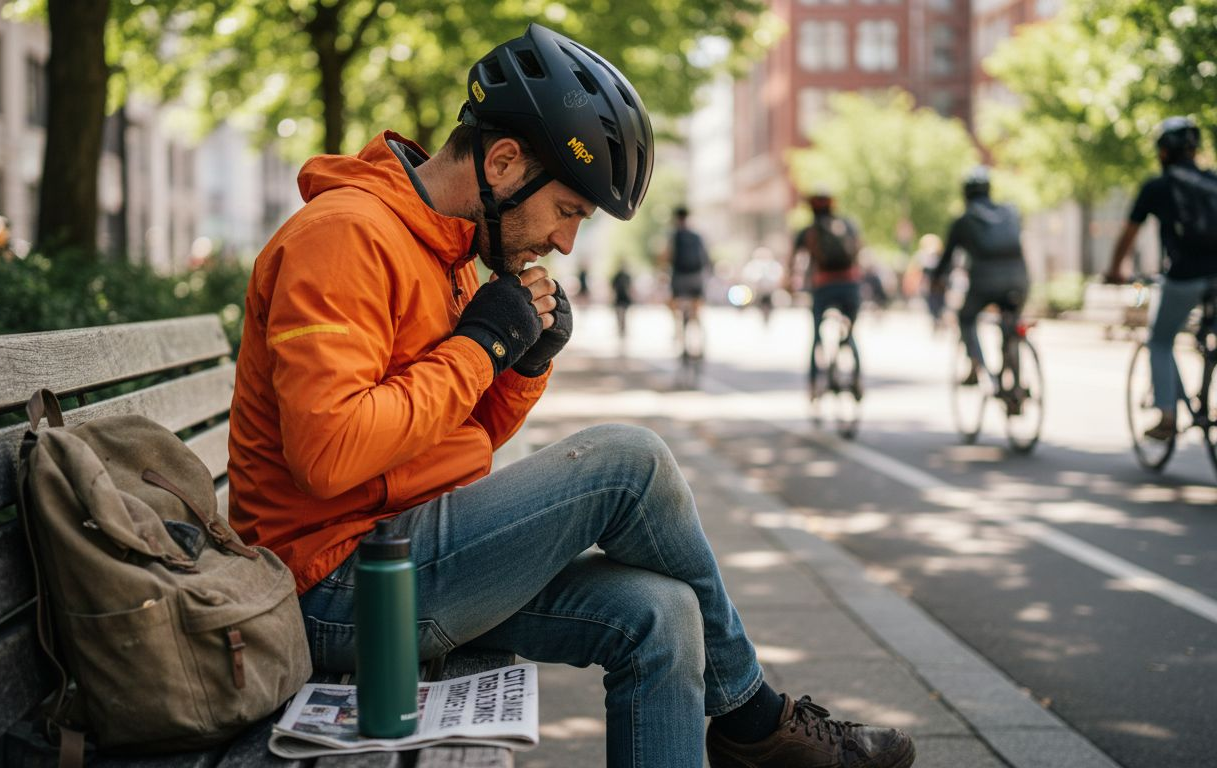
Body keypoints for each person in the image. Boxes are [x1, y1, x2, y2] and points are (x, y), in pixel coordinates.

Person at [227, 24, 914, 768]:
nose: (565, 244)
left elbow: (458, 439)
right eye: (568, 211)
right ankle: (754, 720)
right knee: (630, 461)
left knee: (664, 614)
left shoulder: (451, 250)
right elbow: (329, 455)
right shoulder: (345, 237)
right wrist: (480, 346)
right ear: (502, 162)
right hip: (338, 586)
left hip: (412, 552)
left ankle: (752, 724)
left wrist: (523, 365)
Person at [1105, 116, 1217, 440]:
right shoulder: (1212, 181)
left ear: (1163, 152)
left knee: (1159, 340)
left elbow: (1128, 236)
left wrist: (1115, 270)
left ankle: (1167, 415)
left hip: (1185, 276)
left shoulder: (1157, 187)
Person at [931, 166, 1030, 408]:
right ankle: (1015, 381)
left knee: (965, 319)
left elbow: (946, 259)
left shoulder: (964, 220)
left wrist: (936, 281)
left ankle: (982, 371)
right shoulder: (1010, 211)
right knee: (1011, 323)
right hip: (1019, 279)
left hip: (984, 282)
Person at [786, 189, 864, 399]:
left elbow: (792, 262)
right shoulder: (847, 226)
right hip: (850, 285)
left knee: (817, 336)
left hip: (823, 286)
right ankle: (856, 376)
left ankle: (813, 385)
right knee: (850, 331)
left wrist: (789, 285)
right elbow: (858, 251)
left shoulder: (808, 231)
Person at [666, 206, 711, 362]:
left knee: (673, 304)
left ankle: (678, 332)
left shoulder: (674, 235)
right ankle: (701, 341)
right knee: (697, 311)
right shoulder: (697, 236)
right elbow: (705, 259)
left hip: (680, 278)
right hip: (696, 278)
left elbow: (668, 256)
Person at [610, 261, 634, 341]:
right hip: (619, 298)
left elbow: (630, 288)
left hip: (625, 298)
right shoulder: (617, 276)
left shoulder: (627, 276)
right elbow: (613, 287)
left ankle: (623, 329)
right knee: (619, 314)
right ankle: (620, 328)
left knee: (624, 315)